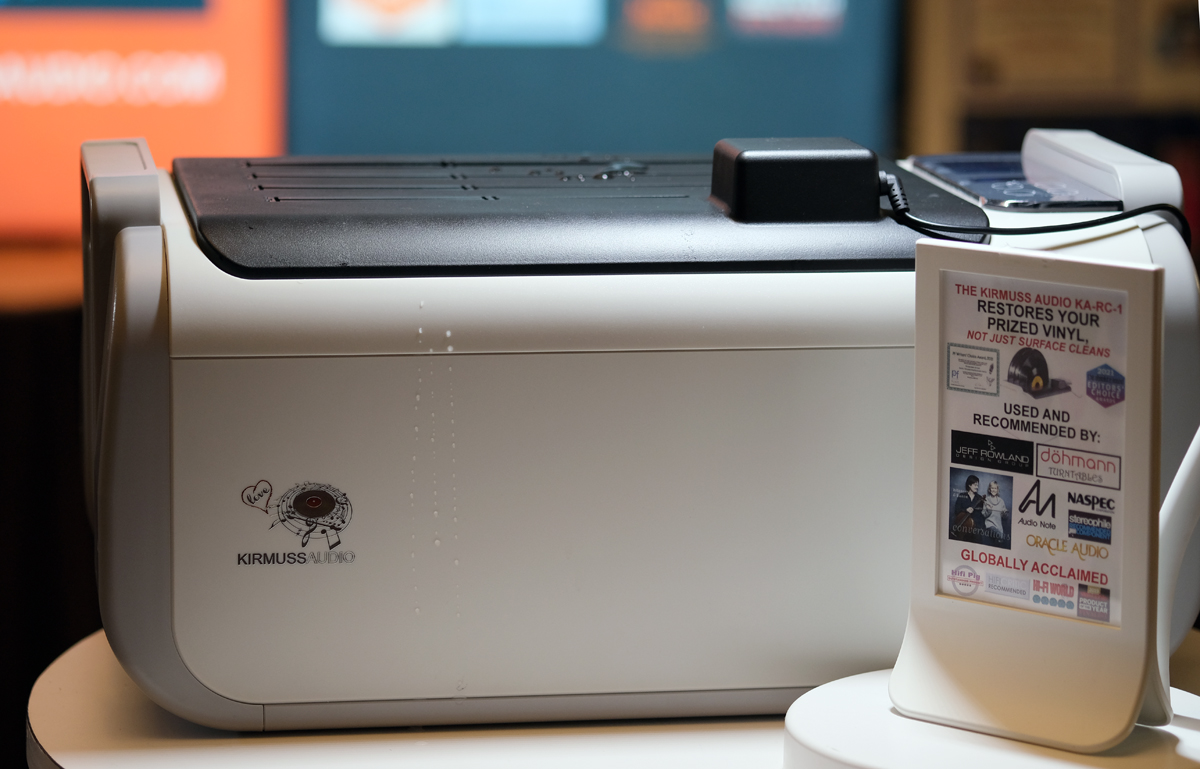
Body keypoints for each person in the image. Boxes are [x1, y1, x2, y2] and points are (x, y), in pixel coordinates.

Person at [952, 475, 984, 542]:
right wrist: (965, 510)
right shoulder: (962, 496)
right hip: (963, 528)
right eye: (975, 485)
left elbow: (982, 515)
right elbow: (956, 510)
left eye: (977, 485)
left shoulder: (979, 498)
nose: (977, 487)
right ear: (969, 485)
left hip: (975, 530)